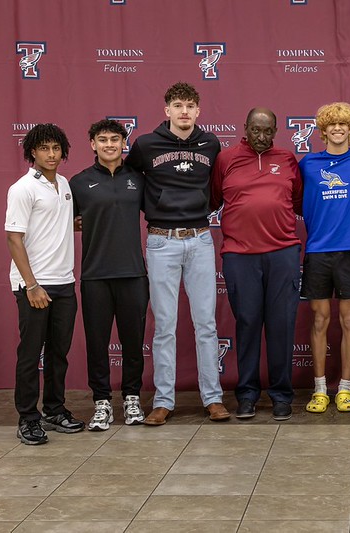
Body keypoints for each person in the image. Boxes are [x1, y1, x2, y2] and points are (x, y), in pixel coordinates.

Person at [126, 82, 229, 425]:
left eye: (189, 106)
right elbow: (128, 185)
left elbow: (216, 188)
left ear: (198, 111)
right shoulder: (145, 144)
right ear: (167, 110)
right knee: (165, 326)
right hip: (161, 241)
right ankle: (163, 400)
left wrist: (200, 208)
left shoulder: (210, 143)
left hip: (199, 238)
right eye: (178, 105)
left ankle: (212, 398)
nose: (184, 111)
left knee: (206, 324)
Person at [210, 107, 303, 421]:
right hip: (240, 255)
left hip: (282, 253)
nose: (261, 137)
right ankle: (247, 394)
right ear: (245, 128)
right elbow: (212, 199)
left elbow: (298, 201)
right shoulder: (226, 159)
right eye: (255, 130)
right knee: (247, 324)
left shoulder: (287, 159)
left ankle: (281, 395)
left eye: (268, 131)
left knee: (281, 325)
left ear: (275, 131)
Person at [5, 123, 85, 445]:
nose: (51, 154)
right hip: (34, 285)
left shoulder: (64, 184)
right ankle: (28, 417)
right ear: (32, 152)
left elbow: (57, 224)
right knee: (30, 354)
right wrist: (31, 285)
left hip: (65, 282)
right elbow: (14, 238)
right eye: (44, 148)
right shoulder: (22, 188)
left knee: (58, 353)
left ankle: (54, 410)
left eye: (56, 148)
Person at [299, 102, 350, 414]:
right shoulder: (308, 163)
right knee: (319, 319)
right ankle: (320, 389)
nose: (338, 129)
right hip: (318, 251)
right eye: (332, 124)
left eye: (343, 124)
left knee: (348, 320)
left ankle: (344, 388)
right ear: (323, 130)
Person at [71, 119, 148, 430]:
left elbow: (159, 211)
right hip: (95, 276)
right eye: (102, 140)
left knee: (133, 342)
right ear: (93, 144)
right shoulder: (78, 182)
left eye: (115, 139)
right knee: (97, 343)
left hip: (133, 274)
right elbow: (61, 221)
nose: (109, 145)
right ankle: (102, 402)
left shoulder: (138, 180)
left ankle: (132, 398)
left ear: (123, 143)